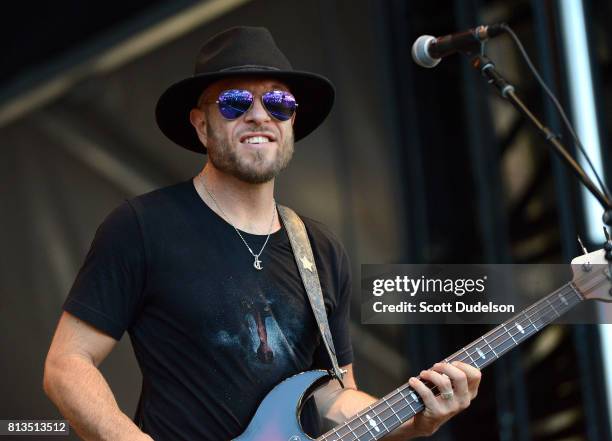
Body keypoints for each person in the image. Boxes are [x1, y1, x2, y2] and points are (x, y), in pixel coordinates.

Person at [43, 26, 481, 440]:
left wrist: (415, 422)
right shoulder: (143, 225)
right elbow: (67, 364)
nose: (259, 116)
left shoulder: (319, 249)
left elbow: (332, 396)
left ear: (291, 123)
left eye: (278, 104)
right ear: (201, 124)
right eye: (235, 102)